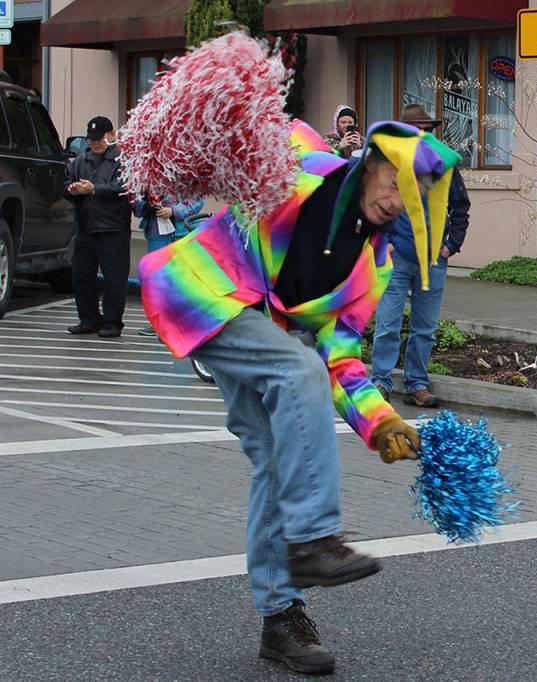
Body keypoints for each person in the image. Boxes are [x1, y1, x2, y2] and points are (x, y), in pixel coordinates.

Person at [138, 119, 461, 675]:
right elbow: (256, 129)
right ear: (373, 164)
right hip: (201, 289)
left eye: (417, 196)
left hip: (258, 324)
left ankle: (281, 617)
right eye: (397, 183)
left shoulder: (373, 265)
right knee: (298, 371)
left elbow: (342, 360)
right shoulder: (302, 168)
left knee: (273, 456)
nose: (401, 201)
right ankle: (313, 538)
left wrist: (381, 422)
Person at [371, 103, 471, 408]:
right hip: (398, 256)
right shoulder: (391, 165)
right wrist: (383, 243)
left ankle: (417, 383)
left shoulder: (444, 166)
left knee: (424, 328)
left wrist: (450, 246)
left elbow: (461, 208)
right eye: (416, 131)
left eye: (426, 130)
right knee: (387, 323)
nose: (422, 135)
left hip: (433, 259)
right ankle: (381, 382)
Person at [64, 116, 132, 338]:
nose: (95, 143)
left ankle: (112, 322)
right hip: (85, 227)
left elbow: (122, 188)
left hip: (113, 229)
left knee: (114, 278)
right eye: (92, 139)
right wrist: (72, 189)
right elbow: (67, 182)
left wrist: (94, 189)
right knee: (82, 277)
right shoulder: (80, 161)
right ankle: (88, 319)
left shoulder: (122, 160)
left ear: (111, 135)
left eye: (100, 138)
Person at [131, 193, 205, 335]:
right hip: (156, 232)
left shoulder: (189, 173)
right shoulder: (144, 173)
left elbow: (198, 197)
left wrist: (174, 211)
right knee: (158, 279)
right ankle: (160, 323)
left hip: (182, 232)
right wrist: (146, 205)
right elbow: (135, 199)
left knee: (183, 279)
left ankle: (185, 321)